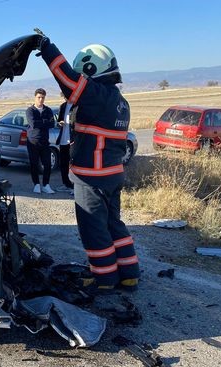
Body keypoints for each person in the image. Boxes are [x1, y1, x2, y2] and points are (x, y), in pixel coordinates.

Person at [37, 36, 140, 291]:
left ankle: (104, 277)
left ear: (91, 68)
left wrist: (47, 48)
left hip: (92, 176)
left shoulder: (97, 94)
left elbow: (69, 80)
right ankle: (129, 273)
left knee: (93, 227)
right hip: (112, 174)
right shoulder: (119, 101)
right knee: (113, 224)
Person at [26, 88, 55, 194]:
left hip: (45, 141)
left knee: (47, 164)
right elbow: (33, 124)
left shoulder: (48, 110)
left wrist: (42, 122)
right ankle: (36, 185)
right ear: (35, 97)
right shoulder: (30, 110)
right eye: (39, 97)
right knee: (34, 164)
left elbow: (52, 124)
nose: (41, 100)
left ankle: (46, 185)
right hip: (33, 142)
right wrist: (45, 122)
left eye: (42, 98)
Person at [55, 92, 75, 194]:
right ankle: (66, 184)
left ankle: (74, 186)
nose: (66, 98)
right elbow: (58, 122)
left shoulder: (76, 106)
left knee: (73, 164)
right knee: (63, 163)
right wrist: (59, 123)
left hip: (73, 140)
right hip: (63, 139)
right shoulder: (62, 106)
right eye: (64, 96)